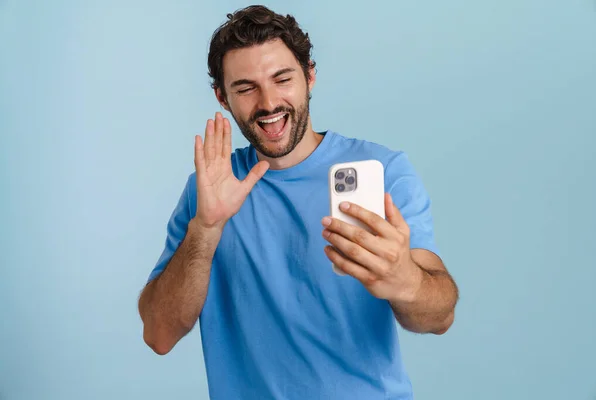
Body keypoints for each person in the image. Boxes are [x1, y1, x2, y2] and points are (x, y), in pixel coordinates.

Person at [138, 5, 459, 399]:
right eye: (245, 87)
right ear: (222, 97)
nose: (269, 102)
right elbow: (158, 334)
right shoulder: (208, 191)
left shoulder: (384, 171)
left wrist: (405, 279)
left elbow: (441, 316)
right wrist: (205, 230)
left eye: (282, 78)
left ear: (309, 76)